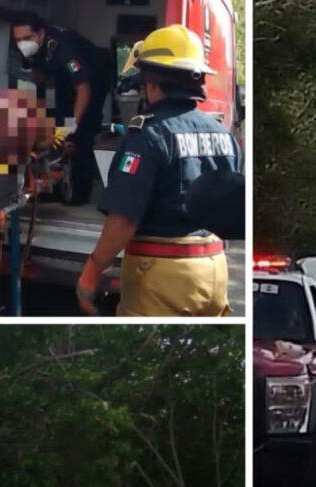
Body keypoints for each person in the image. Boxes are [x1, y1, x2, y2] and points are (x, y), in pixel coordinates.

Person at [75, 25, 242, 316]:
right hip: (215, 269)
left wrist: (91, 272)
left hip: (162, 274)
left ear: (152, 82)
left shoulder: (148, 136)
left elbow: (123, 220)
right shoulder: (224, 135)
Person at [11, 13, 114, 206]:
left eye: (26, 39)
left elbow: (83, 88)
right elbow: (39, 76)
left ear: (40, 34)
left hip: (92, 81)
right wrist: (41, 114)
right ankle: (54, 187)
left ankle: (80, 193)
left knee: (81, 132)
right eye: (17, 40)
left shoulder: (63, 47)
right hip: (60, 82)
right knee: (51, 126)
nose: (21, 43)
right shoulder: (25, 46)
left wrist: (71, 124)